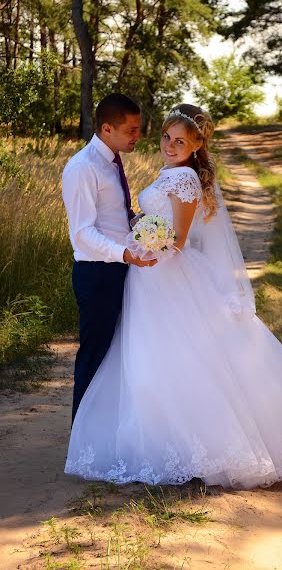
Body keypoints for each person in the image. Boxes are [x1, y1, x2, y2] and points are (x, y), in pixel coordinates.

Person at [65, 103, 282, 490]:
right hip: (142, 273)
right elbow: (129, 224)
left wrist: (148, 241)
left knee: (177, 356)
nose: (168, 145)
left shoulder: (183, 178)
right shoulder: (141, 170)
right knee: (146, 356)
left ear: (195, 145)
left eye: (179, 141)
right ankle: (151, 436)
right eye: (166, 138)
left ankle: (190, 445)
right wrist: (140, 232)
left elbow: (178, 239)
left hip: (162, 272)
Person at [62, 93, 155, 423]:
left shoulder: (111, 161)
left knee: (118, 353)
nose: (137, 136)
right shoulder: (83, 168)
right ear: (106, 128)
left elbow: (115, 216)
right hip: (96, 274)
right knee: (95, 355)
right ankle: (83, 436)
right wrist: (125, 253)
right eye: (130, 130)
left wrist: (144, 227)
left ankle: (108, 432)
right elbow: (82, 233)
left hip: (118, 268)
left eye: (138, 129)